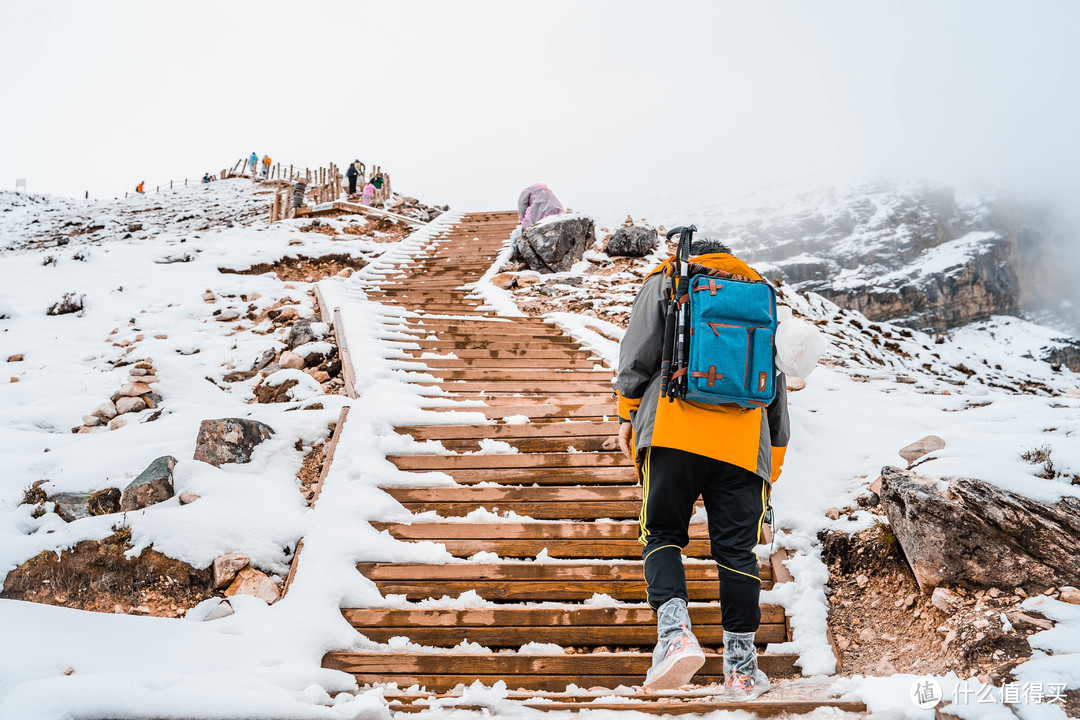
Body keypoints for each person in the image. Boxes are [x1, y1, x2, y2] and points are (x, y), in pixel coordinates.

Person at [615, 237, 790, 697]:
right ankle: (742, 670)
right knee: (737, 553)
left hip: (672, 431)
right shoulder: (757, 294)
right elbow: (775, 381)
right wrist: (773, 458)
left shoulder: (670, 279)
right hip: (741, 445)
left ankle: (675, 638)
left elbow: (637, 353)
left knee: (663, 535)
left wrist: (627, 412)